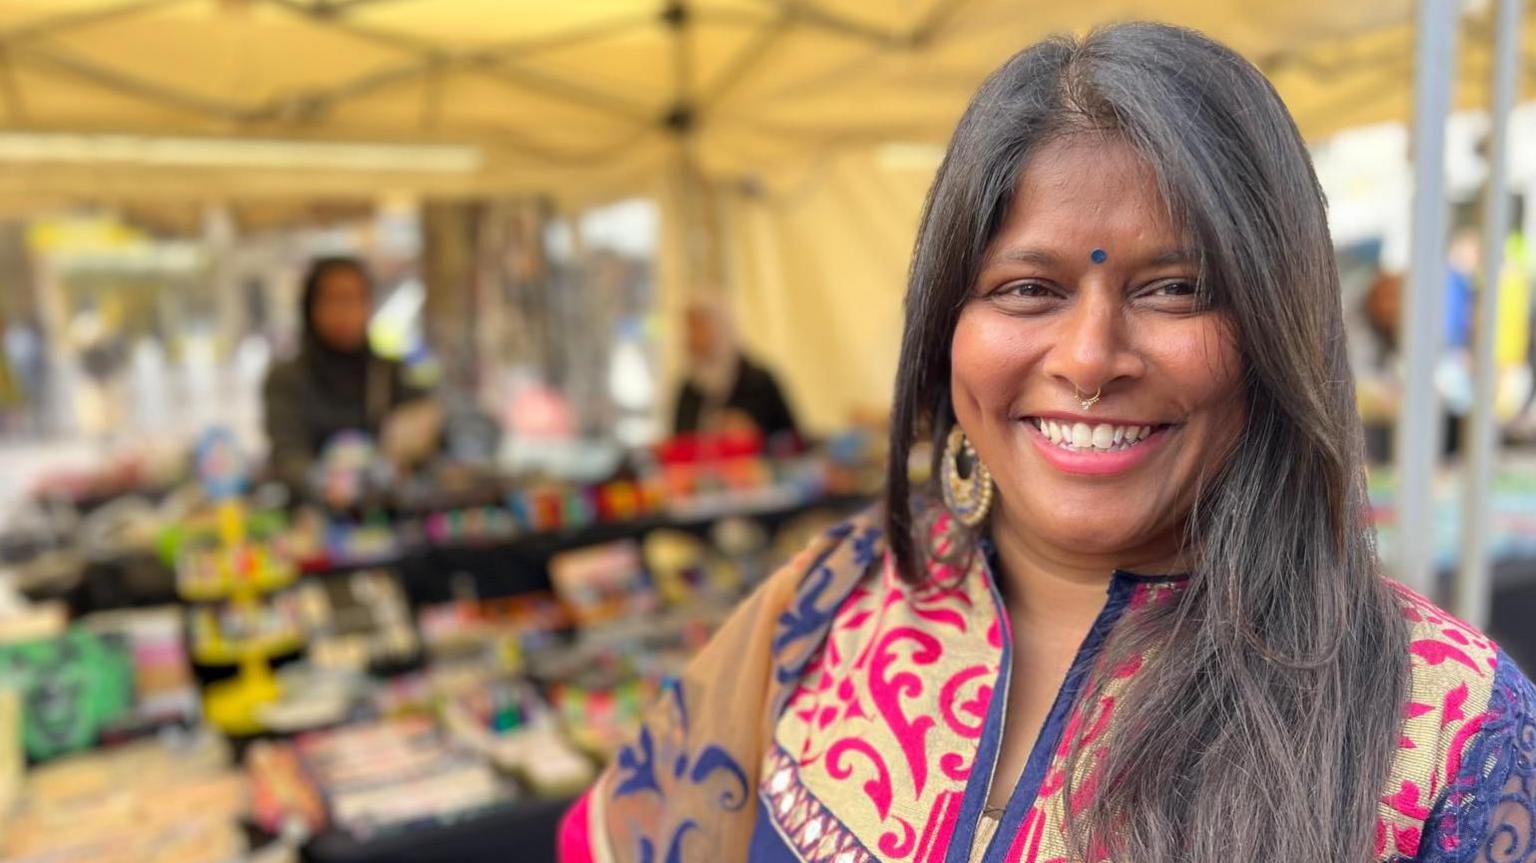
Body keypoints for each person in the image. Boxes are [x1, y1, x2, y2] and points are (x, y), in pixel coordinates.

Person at [559, 23, 1536, 863]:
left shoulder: (1451, 729)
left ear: (1278, 326)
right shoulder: (835, 597)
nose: (1090, 356)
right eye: (1029, 288)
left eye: (1173, 287)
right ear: (948, 323)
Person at [263, 257, 439, 497]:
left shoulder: (388, 372)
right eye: (336, 300)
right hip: (313, 521)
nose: (348, 312)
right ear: (311, 307)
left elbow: (430, 421)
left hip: (384, 516)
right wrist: (321, 483)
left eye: (358, 299)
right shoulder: (287, 379)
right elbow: (287, 456)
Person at [673, 297, 801, 444]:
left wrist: (754, 434)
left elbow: (792, 442)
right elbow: (679, 443)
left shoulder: (758, 382)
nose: (690, 338)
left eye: (698, 327)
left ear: (720, 327)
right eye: (689, 329)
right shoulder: (689, 389)